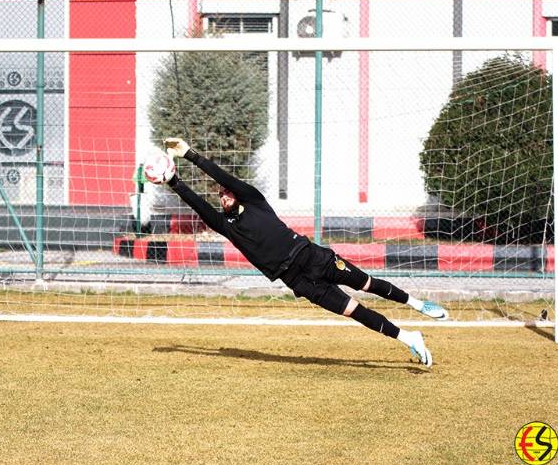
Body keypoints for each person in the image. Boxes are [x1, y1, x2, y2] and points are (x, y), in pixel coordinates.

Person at [162, 137, 449, 368]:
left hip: (312, 256)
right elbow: (198, 205)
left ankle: (416, 303)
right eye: (219, 195)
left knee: (367, 284)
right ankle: (409, 338)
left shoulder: (254, 200)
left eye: (225, 191)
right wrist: (173, 181)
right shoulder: (226, 226)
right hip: (297, 280)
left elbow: (223, 175)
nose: (222, 195)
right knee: (353, 311)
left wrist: (190, 154)